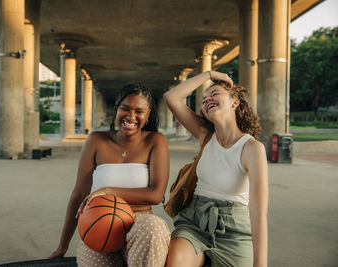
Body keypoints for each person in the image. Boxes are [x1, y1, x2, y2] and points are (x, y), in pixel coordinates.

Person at [49, 83, 171, 267]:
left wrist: (108, 191)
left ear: (147, 116)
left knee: (154, 227)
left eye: (139, 111)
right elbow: (79, 195)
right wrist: (62, 246)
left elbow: (156, 195)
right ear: (116, 109)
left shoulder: (155, 141)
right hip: (98, 224)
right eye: (125, 108)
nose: (131, 116)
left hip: (140, 224)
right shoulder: (96, 140)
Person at [163, 71, 268, 267]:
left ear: (234, 103)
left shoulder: (252, 148)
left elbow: (258, 212)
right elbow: (171, 97)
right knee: (174, 259)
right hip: (194, 223)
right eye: (204, 99)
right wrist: (209, 74)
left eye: (214, 94)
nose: (207, 100)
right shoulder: (205, 136)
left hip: (235, 231)